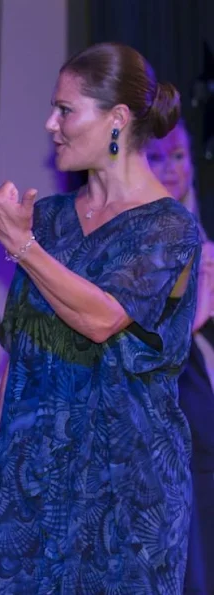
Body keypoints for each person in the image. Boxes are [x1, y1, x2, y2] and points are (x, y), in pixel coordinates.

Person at [0, 42, 201, 593]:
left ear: (117, 119)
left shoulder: (169, 228)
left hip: (128, 497)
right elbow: (18, 363)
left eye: (66, 110)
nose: (51, 123)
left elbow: (101, 319)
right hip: (34, 485)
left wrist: (21, 246)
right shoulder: (45, 221)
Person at [147, 120, 214, 594]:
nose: (172, 170)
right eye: (156, 157)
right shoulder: (133, 236)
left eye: (179, 156)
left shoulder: (202, 231)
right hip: (162, 425)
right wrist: (195, 313)